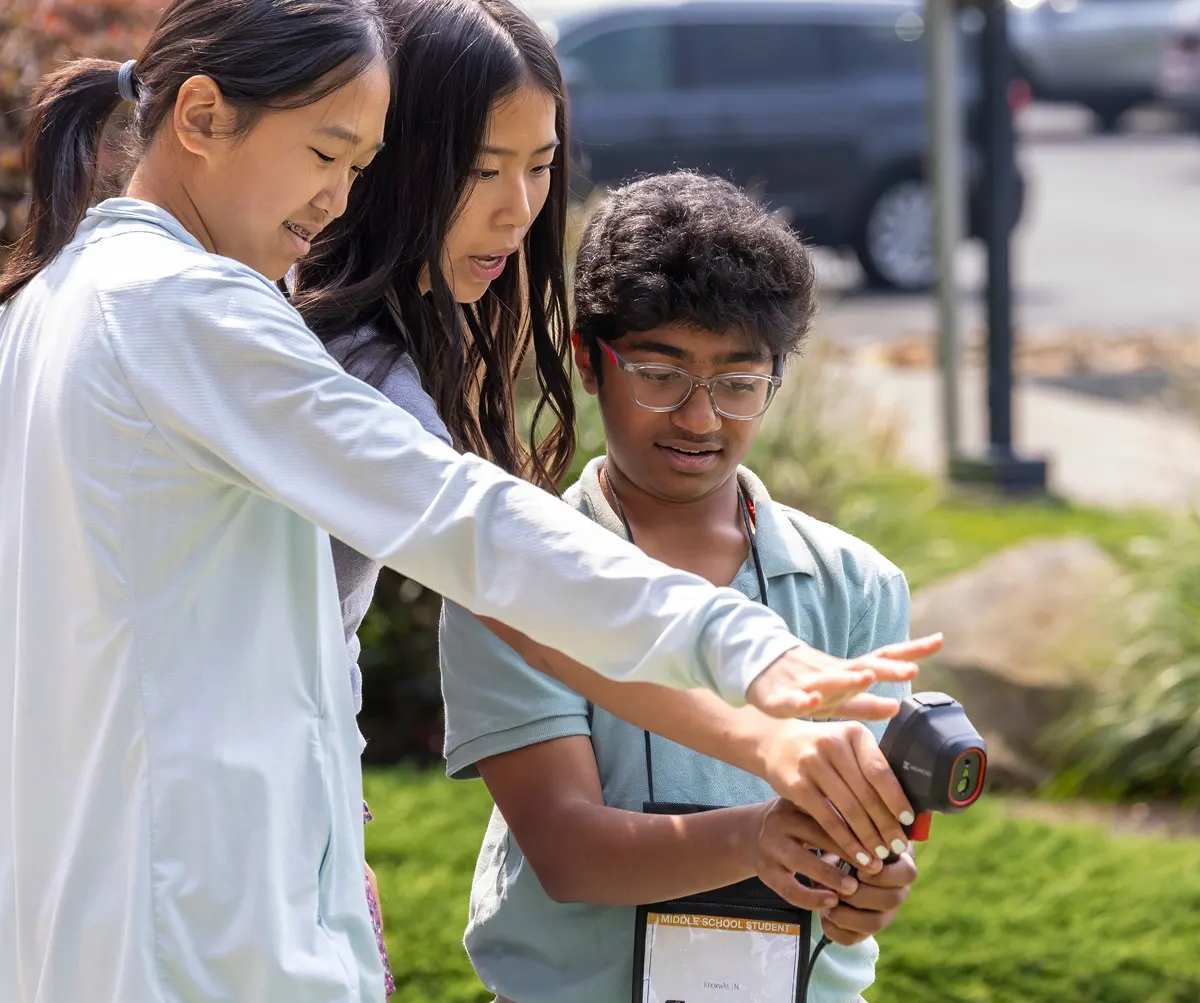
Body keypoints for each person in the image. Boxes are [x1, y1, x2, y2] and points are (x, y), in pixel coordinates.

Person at [0, 4, 931, 1002]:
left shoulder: (67, 295)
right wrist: (748, 659)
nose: (519, 207)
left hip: (136, 897)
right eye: (330, 151)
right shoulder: (191, 311)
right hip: (191, 919)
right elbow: (472, 531)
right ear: (199, 115)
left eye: (541, 166)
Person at [288, 0, 924, 989]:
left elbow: (866, 846)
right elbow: (529, 605)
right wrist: (758, 738)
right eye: (481, 167)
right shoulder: (327, 376)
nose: (516, 207)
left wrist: (854, 872)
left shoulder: (854, 581)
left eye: (539, 166)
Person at [439, 171, 923, 1003]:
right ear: (591, 361)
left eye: (739, 383)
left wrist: (868, 888)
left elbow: (871, 858)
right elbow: (567, 849)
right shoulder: (514, 571)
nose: (701, 418)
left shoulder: (857, 584)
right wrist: (764, 839)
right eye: (661, 374)